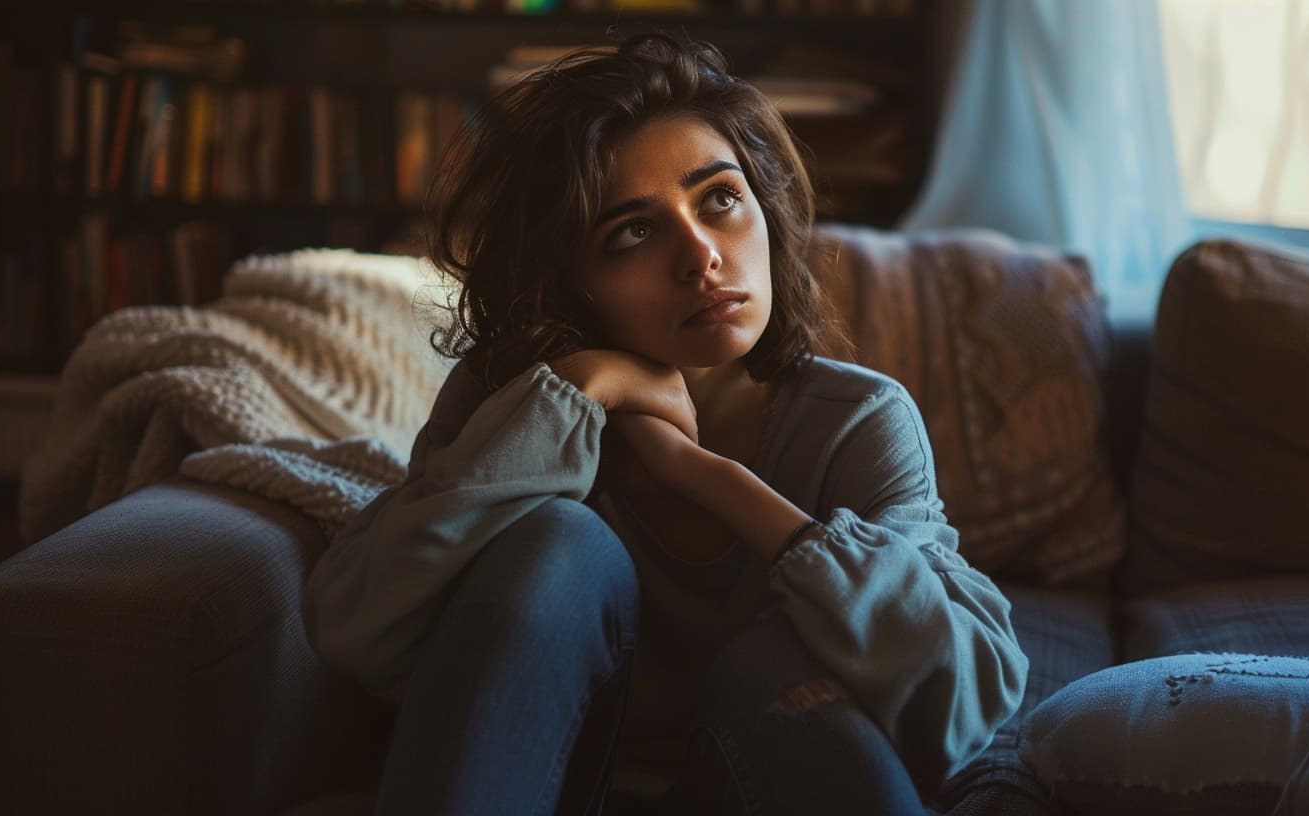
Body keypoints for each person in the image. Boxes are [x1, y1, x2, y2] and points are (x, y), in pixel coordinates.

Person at [303, 33, 1028, 816]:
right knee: (558, 542)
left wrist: (710, 478)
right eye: (633, 232)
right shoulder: (522, 405)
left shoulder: (858, 420)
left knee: (791, 645)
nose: (700, 256)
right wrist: (581, 387)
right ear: (572, 283)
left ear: (764, 206)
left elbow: (966, 696)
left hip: (764, 775)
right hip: (556, 779)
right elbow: (353, 624)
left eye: (719, 197)